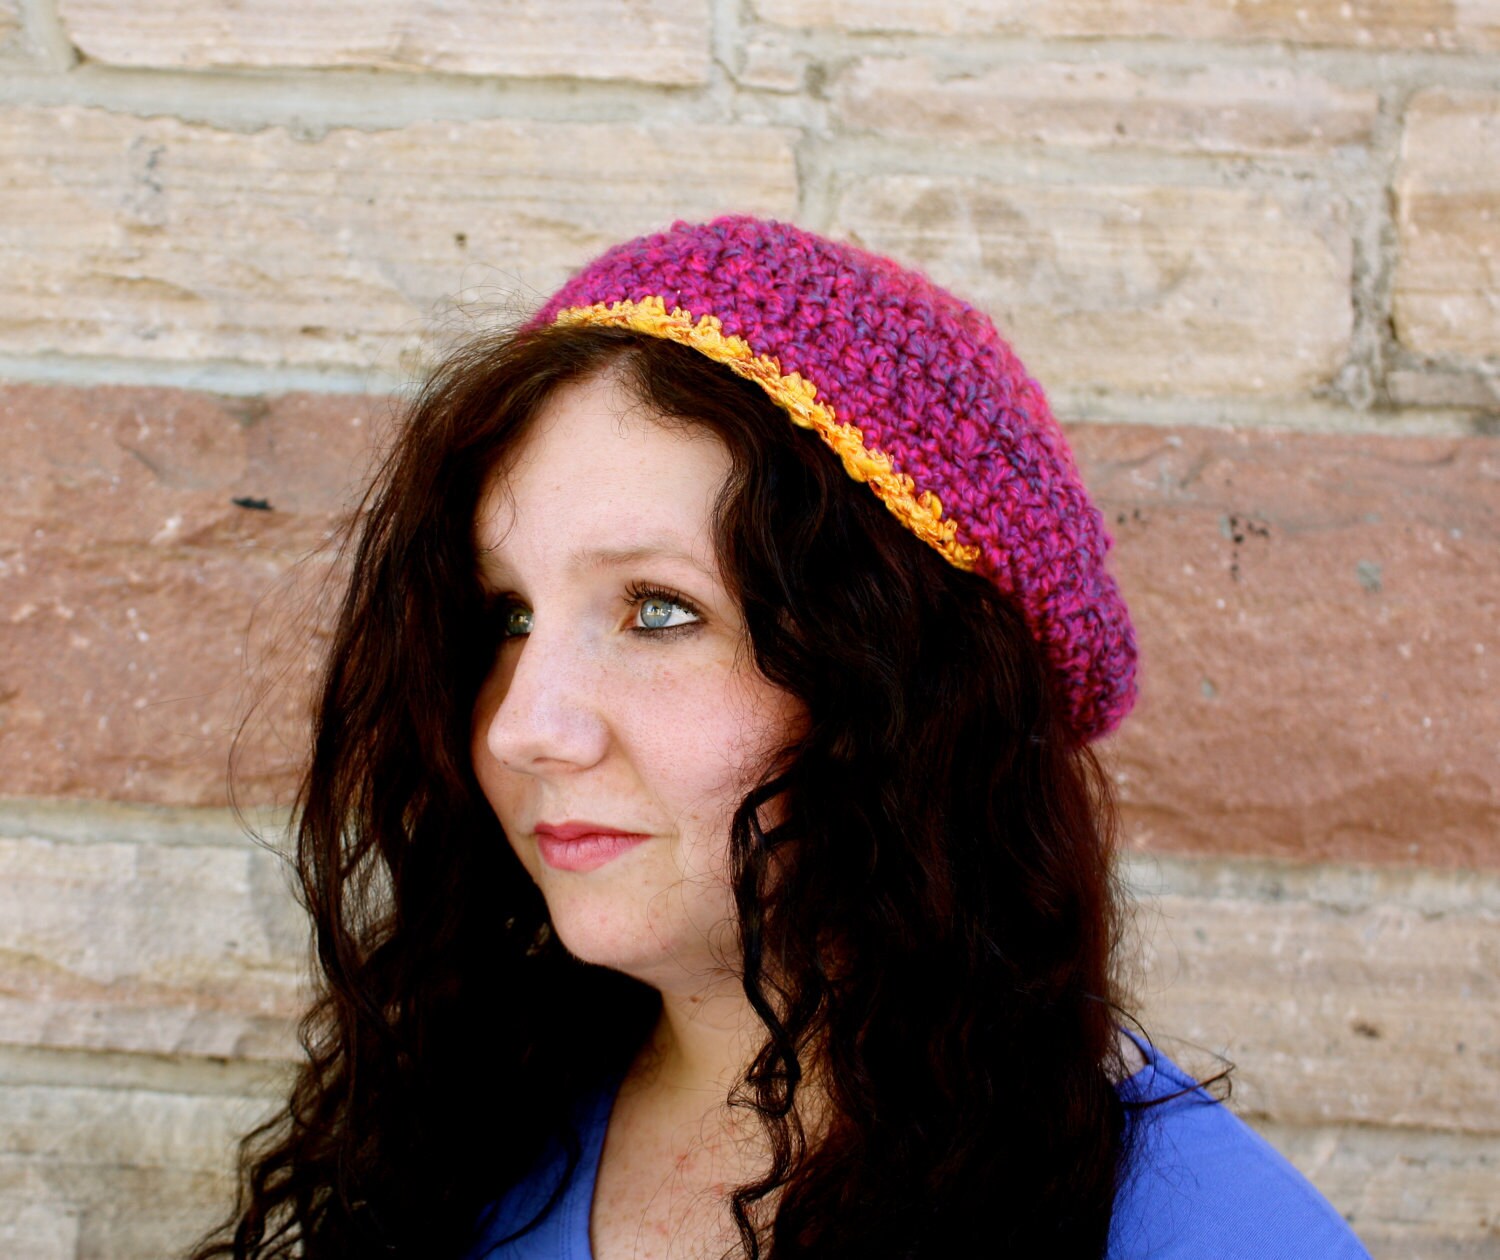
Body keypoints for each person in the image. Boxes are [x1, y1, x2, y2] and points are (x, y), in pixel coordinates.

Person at [192, 216, 1369, 1259]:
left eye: (660, 611)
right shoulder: (466, 1128)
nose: (524, 727)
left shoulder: (1202, 1232)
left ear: (910, 688)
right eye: (507, 615)